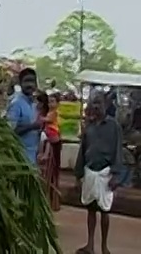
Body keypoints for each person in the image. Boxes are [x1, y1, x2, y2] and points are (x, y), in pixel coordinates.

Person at [74, 93, 123, 254]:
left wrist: (116, 175)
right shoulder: (89, 126)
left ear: (106, 104)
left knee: (105, 211)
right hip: (89, 172)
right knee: (91, 209)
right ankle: (90, 245)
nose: (96, 106)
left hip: (106, 173)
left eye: (99, 103)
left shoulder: (114, 126)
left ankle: (104, 247)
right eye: (93, 103)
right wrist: (78, 175)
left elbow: (118, 150)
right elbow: (82, 151)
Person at [6, 68, 41, 165]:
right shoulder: (16, 103)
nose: (30, 84)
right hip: (19, 158)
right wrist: (32, 126)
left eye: (32, 81)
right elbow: (9, 132)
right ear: (20, 83)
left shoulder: (34, 104)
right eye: (26, 81)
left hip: (32, 155)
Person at [37, 92, 62, 211]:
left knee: (53, 172)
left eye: (53, 101)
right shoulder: (50, 112)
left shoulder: (54, 114)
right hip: (49, 141)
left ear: (57, 103)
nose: (50, 104)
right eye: (49, 101)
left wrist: (38, 117)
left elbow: (45, 120)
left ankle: (53, 201)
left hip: (53, 142)